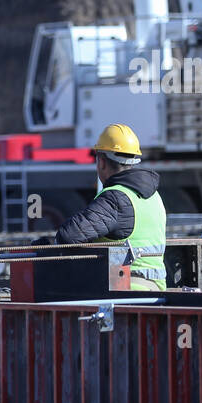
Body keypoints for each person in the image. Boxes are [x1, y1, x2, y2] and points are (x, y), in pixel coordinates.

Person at [51, 123, 167, 291]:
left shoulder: (115, 198)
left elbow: (69, 236)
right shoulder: (154, 196)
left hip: (126, 291)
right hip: (156, 288)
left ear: (102, 162)